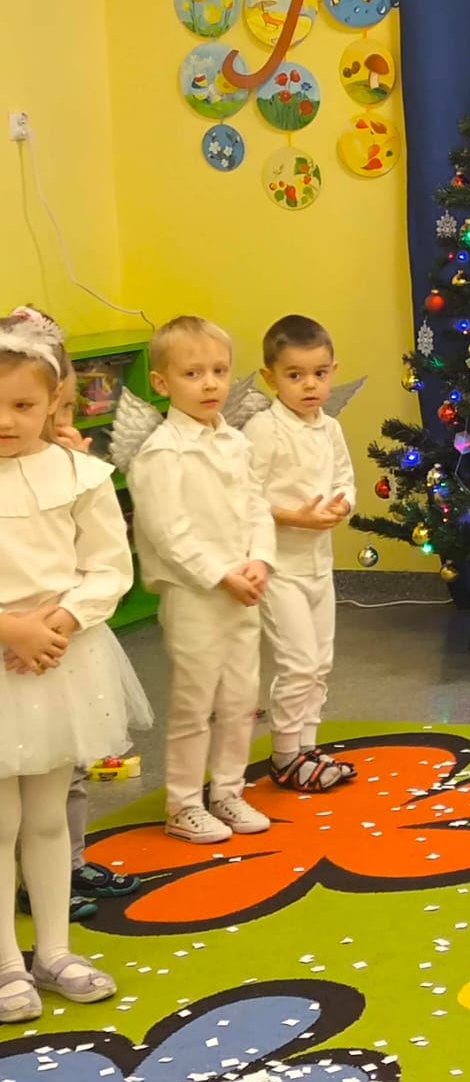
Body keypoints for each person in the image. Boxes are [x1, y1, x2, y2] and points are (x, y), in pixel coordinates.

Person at [0, 308, 150, 1019]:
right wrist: (13, 628)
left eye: (23, 405)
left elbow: (108, 567)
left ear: (54, 400)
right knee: (0, 821)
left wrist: (57, 623)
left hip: (60, 659)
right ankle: (6, 962)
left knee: (47, 816)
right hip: (6, 654)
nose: (6, 420)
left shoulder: (79, 474)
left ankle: (54, 951)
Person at [127, 317, 276, 843]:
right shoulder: (160, 454)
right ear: (162, 383)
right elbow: (169, 533)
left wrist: (260, 559)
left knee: (240, 698)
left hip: (243, 589)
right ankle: (184, 803)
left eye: (219, 371)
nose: (210, 384)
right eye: (192, 374)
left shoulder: (234, 442)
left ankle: (229, 791)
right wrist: (220, 574)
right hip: (195, 594)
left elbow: (257, 505)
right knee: (195, 703)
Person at [244, 315, 357, 791]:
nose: (310, 385)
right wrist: (295, 517)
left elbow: (344, 478)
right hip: (278, 566)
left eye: (319, 373)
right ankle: (285, 754)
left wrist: (342, 505)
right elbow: (245, 498)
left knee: (320, 661)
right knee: (298, 662)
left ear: (332, 371)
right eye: (295, 375)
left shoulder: (330, 428)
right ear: (270, 378)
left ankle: (308, 747)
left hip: (318, 565)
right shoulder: (263, 430)